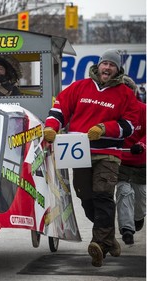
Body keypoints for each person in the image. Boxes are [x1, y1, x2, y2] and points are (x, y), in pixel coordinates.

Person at [43, 49, 140, 267]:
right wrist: (51, 128)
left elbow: (129, 125)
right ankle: (108, 237)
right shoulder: (80, 87)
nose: (107, 68)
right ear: (99, 66)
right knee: (85, 198)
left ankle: (99, 245)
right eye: (105, 64)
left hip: (108, 153)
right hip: (79, 151)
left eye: (112, 65)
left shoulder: (125, 94)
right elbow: (59, 109)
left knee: (102, 195)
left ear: (118, 69)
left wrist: (106, 128)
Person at [115, 75, 146, 245]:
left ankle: (138, 217)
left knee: (141, 196)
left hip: (140, 162)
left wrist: (141, 144)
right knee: (124, 192)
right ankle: (127, 229)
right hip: (120, 161)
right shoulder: (114, 111)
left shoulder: (143, 110)